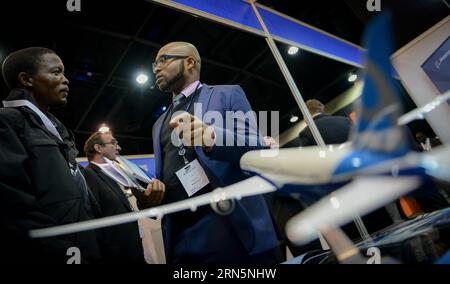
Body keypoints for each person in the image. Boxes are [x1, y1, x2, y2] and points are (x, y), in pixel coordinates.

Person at [151, 41, 279, 264]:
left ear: (190, 62)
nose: (156, 68)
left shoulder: (227, 94)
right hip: (179, 238)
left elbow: (256, 147)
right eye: (155, 64)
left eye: (163, 60)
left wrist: (211, 136)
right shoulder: (158, 124)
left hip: (230, 226)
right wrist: (152, 199)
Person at [0, 47, 101, 263]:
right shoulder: (7, 122)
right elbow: (13, 205)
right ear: (27, 79)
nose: (65, 80)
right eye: (56, 72)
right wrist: (62, 250)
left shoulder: (57, 129)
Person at [82, 130, 166, 263]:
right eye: (113, 143)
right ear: (98, 148)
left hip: (133, 250)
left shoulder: (112, 174)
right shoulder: (88, 175)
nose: (119, 147)